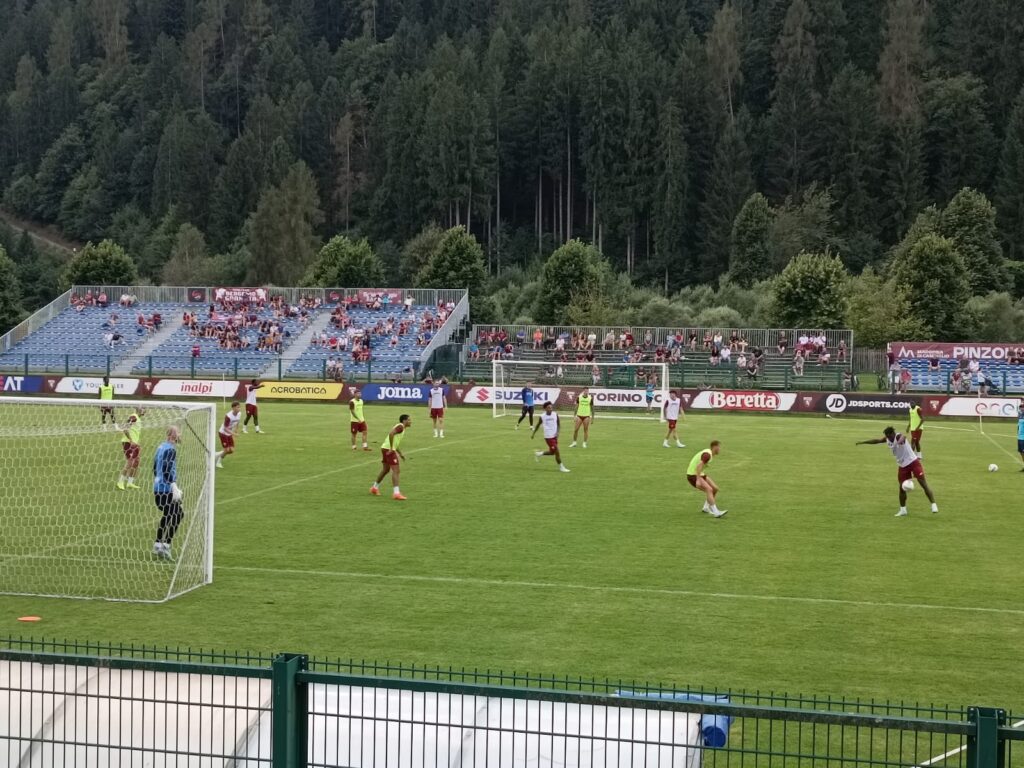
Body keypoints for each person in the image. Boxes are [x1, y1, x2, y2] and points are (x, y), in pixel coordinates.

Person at [856, 426, 938, 517]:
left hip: (913, 462)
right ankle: (903, 510)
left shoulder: (898, 436)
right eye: (886, 436)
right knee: (902, 488)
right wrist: (863, 442)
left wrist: (897, 443)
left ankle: (933, 505)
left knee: (923, 483)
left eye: (888, 436)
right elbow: (877, 441)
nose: (887, 438)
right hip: (902, 466)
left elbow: (904, 437)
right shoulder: (887, 439)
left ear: (892, 434)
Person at [152, 425, 184, 560]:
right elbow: (166, 468)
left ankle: (158, 544)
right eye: (177, 432)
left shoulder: (161, 446)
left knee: (168, 514)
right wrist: (173, 485)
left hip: (158, 488)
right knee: (178, 515)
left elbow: (154, 466)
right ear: (172, 435)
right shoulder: (171, 449)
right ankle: (165, 546)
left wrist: (157, 479)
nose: (179, 434)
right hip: (165, 490)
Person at [370, 415, 411, 499]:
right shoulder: (400, 427)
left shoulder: (401, 428)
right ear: (404, 421)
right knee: (396, 470)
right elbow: (391, 434)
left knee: (385, 470)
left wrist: (400, 453)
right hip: (388, 449)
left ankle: (374, 488)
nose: (411, 422)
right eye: (409, 420)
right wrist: (392, 448)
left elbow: (395, 441)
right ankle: (396, 493)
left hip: (385, 448)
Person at [686, 441, 726, 518]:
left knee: (715, 489)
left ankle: (706, 508)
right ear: (715, 447)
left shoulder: (709, 454)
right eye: (719, 447)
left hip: (699, 473)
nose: (720, 449)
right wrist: (698, 479)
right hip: (692, 475)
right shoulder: (707, 455)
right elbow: (698, 466)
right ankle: (716, 512)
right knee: (709, 489)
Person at [532, 401, 571, 472]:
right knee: (557, 452)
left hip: (555, 437)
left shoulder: (555, 414)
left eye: (551, 407)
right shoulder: (542, 416)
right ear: (545, 409)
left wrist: (558, 432)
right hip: (548, 437)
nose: (550, 409)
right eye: (548, 408)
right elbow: (538, 425)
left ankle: (539, 454)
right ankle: (561, 467)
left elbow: (558, 424)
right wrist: (533, 433)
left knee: (552, 452)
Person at [116, 407, 144, 490]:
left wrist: (137, 443)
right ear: (138, 409)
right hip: (128, 443)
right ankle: (120, 482)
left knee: (136, 462)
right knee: (130, 462)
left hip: (134, 444)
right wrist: (131, 441)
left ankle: (130, 483)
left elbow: (134, 432)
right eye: (143, 408)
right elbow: (125, 428)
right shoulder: (134, 416)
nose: (144, 410)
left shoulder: (138, 419)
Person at [215, 402, 242, 468]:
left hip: (229, 433)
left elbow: (237, 421)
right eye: (237, 407)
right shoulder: (228, 416)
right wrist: (234, 434)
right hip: (223, 433)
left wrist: (236, 429)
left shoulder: (239, 413)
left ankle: (216, 454)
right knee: (227, 450)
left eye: (239, 407)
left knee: (231, 450)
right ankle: (218, 462)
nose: (239, 408)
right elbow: (225, 428)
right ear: (233, 408)